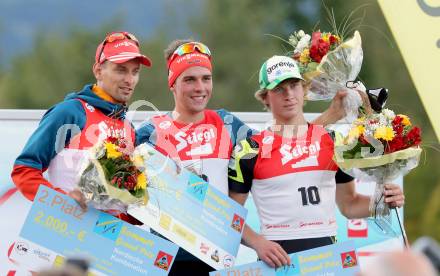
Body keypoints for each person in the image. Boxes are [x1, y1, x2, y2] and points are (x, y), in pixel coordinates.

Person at [136, 41, 348, 275]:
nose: (200, 87)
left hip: (216, 258)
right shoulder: (150, 132)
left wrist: (331, 115)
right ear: (172, 84)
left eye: (206, 78)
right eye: (189, 79)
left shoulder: (227, 124)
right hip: (166, 260)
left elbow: (279, 145)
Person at [228, 55, 405, 268]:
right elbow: (229, 217)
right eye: (278, 89)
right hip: (276, 263)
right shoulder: (249, 150)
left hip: (326, 260)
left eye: (294, 85)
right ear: (265, 98)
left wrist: (382, 201)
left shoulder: (334, 141)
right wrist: (258, 243)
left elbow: (349, 205)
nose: (288, 95)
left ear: (305, 90)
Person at [11, 31, 151, 223]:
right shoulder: (71, 112)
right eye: (121, 70)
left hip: (111, 245)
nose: (130, 80)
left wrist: (144, 210)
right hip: (66, 237)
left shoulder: (128, 127)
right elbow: (24, 170)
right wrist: (62, 202)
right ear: (98, 70)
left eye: (135, 72)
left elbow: (123, 204)